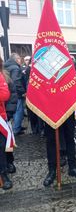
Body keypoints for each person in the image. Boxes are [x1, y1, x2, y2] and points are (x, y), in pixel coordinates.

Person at [43, 115, 76, 186]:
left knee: (70, 136)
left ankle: (72, 167)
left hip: (67, 108)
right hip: (50, 110)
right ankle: (52, 170)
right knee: (51, 140)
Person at [4, 53, 26, 136]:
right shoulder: (16, 68)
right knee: (18, 111)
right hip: (16, 93)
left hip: (9, 92)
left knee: (12, 110)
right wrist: (22, 92)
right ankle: (16, 129)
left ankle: (16, 127)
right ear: (16, 59)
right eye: (20, 59)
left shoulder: (6, 66)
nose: (21, 61)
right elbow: (16, 81)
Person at [0, 56, 13, 190]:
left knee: (2, 146)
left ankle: (4, 172)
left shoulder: (1, 75)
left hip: (1, 116)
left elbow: (5, 95)